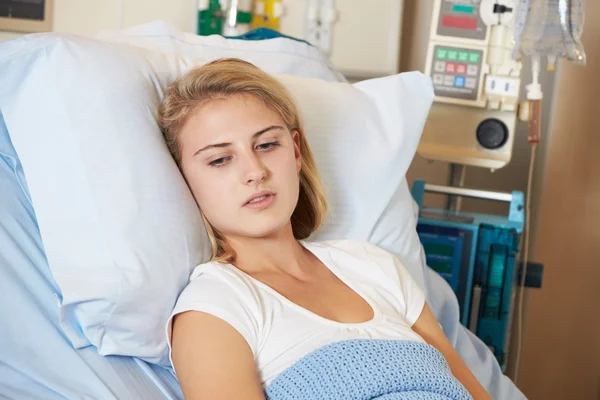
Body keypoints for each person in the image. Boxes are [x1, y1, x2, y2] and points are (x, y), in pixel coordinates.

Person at [158, 58, 491, 400]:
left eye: (267, 145)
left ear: (296, 151)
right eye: (220, 159)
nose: (255, 171)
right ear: (183, 180)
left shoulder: (373, 265)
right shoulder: (215, 308)